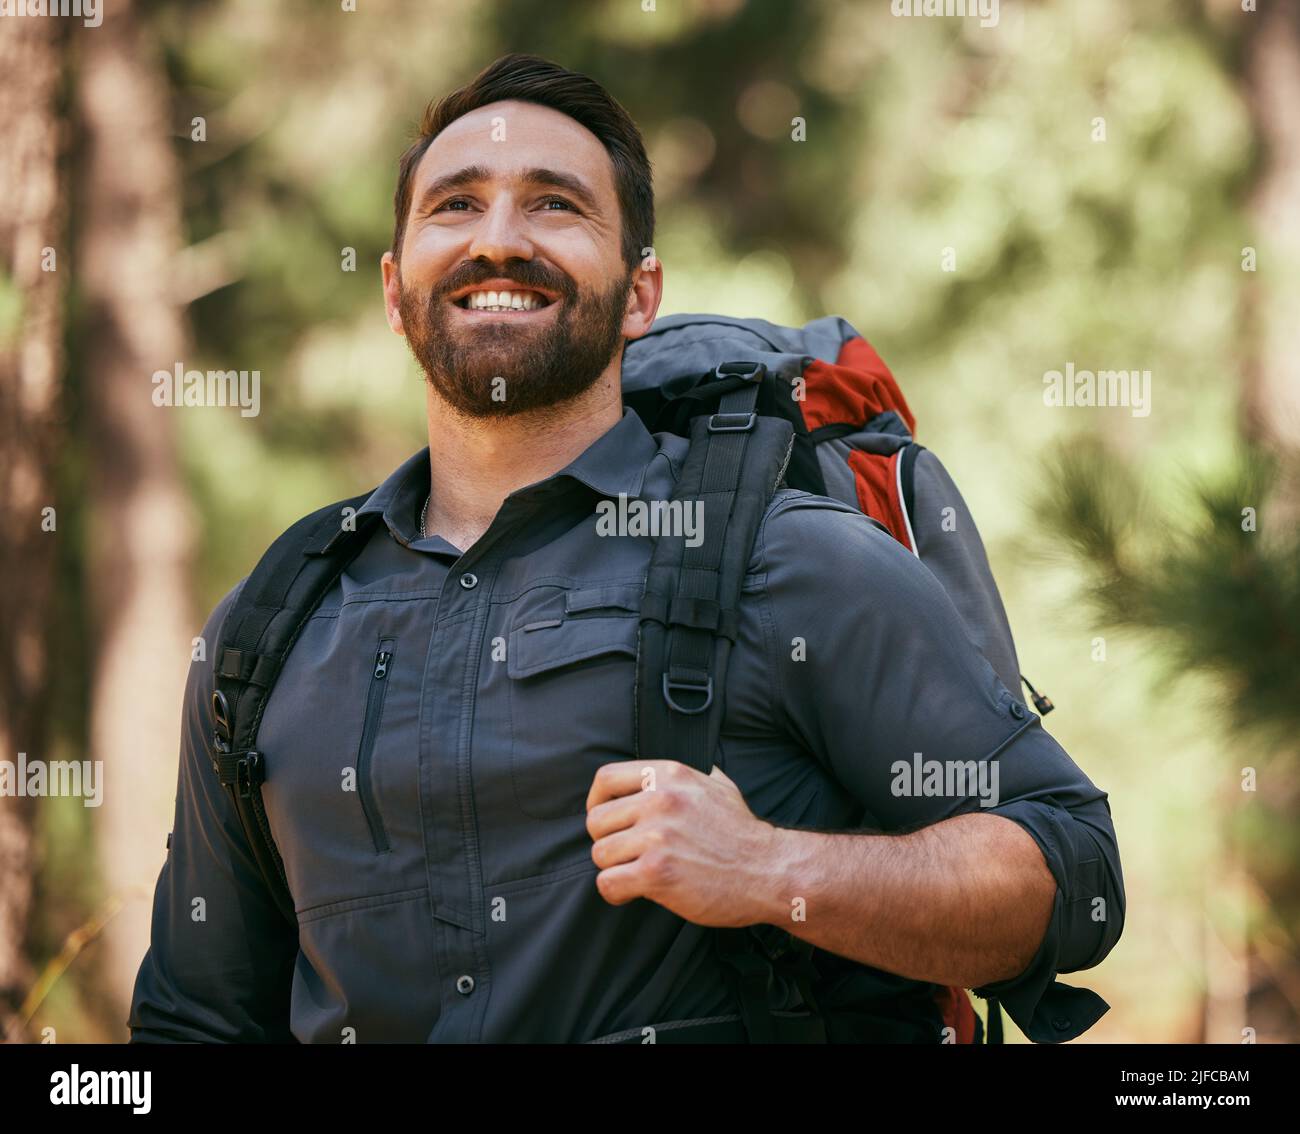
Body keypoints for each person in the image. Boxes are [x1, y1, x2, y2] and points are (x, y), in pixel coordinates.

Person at [128, 52, 1124, 1044]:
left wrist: (772, 872)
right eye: (455, 205)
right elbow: (194, 1018)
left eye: (554, 205)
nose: (499, 240)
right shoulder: (275, 625)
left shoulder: (788, 564)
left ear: (639, 295)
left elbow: (1071, 875)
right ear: (394, 291)